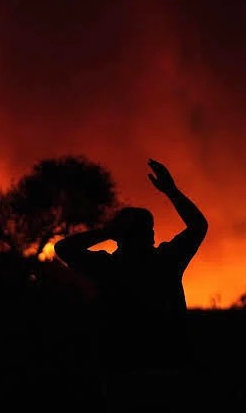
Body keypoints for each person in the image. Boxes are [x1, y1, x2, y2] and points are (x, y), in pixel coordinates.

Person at [54, 158, 208, 373]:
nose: (150, 233)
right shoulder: (166, 261)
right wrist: (171, 191)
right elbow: (198, 226)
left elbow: (63, 248)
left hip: (120, 365)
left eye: (147, 228)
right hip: (165, 364)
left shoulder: (107, 267)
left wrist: (108, 232)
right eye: (143, 229)